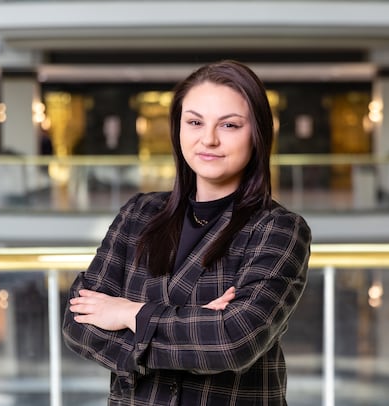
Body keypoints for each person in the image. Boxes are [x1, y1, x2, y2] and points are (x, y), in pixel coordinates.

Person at [62, 60, 312, 405]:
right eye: (195, 122)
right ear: (178, 128)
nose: (208, 139)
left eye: (229, 125)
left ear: (257, 133)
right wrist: (197, 328)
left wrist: (128, 313)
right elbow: (78, 323)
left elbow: (232, 342)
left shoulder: (278, 229)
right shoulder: (139, 214)